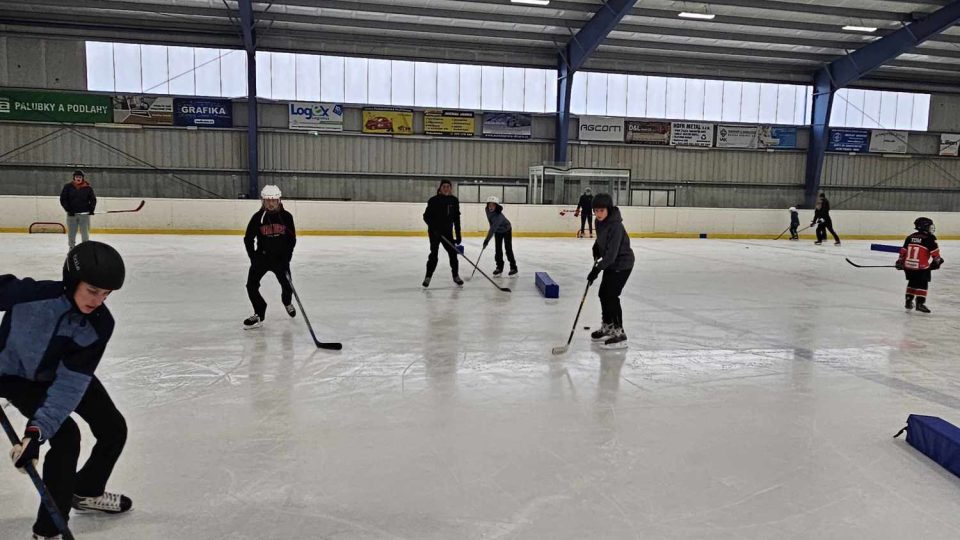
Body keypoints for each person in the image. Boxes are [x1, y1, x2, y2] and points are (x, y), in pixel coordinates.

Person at [1, 241, 131, 540]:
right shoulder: (30, 296)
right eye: (92, 290)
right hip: (17, 378)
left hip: (61, 375)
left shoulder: (98, 324)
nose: (98, 301)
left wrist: (35, 433)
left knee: (112, 428)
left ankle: (85, 491)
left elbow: (70, 383)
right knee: (68, 437)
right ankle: (49, 531)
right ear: (73, 281)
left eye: (106, 294)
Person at [243, 185, 297, 329]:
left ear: (279, 200)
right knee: (251, 286)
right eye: (267, 200)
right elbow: (248, 238)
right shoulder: (257, 218)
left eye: (273, 200)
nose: (271, 203)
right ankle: (259, 313)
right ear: (262, 201)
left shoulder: (286, 217)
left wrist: (287, 257)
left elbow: (292, 239)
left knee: (287, 286)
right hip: (262, 258)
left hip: (281, 259)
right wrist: (253, 257)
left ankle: (287, 302)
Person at [587, 193, 635, 349]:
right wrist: (596, 247)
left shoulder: (615, 226)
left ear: (608, 209)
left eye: (601, 210)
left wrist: (596, 269)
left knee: (612, 296)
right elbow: (602, 240)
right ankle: (607, 326)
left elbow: (612, 255)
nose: (598, 214)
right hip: (611, 263)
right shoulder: (599, 222)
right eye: (596, 210)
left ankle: (619, 333)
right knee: (603, 294)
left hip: (622, 263)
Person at [896, 217, 943, 314]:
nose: (931, 228)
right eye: (930, 226)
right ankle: (920, 304)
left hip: (908, 266)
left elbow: (903, 251)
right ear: (925, 227)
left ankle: (908, 301)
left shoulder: (910, 237)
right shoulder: (930, 238)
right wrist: (937, 262)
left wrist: (900, 262)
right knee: (923, 283)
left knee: (912, 282)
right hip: (921, 267)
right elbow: (935, 254)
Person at [422, 179, 462, 288]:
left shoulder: (454, 200)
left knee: (453, 254)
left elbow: (456, 219)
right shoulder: (433, 200)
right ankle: (428, 276)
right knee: (434, 254)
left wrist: (458, 235)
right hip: (434, 233)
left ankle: (456, 276)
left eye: (448, 186)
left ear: (451, 188)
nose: (446, 188)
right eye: (444, 186)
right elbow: (426, 216)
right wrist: (434, 229)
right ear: (440, 188)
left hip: (448, 233)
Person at [59, 170, 97, 250]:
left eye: (80, 177)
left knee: (85, 233)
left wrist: (91, 209)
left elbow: (93, 199)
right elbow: (63, 199)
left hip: (84, 215)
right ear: (74, 178)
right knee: (71, 233)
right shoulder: (68, 187)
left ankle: (85, 248)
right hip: (72, 215)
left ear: (82, 178)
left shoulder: (88, 188)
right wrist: (68, 209)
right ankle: (71, 248)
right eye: (77, 177)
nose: (78, 179)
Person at [482, 196, 518, 277]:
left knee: (508, 248)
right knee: (498, 249)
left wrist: (486, 240)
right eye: (489, 205)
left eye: (493, 205)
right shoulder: (486, 209)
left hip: (506, 229)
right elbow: (490, 222)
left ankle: (514, 268)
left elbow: (492, 229)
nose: (491, 207)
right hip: (498, 231)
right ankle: (499, 267)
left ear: (496, 206)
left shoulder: (499, 217)